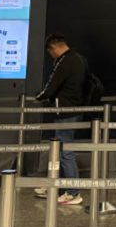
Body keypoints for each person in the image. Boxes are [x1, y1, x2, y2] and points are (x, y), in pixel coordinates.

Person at [33, 34, 88, 206]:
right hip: (76, 109)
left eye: (50, 52)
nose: (51, 56)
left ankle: (72, 192)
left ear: (53, 48)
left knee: (65, 152)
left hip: (65, 112)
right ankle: (54, 185)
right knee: (59, 151)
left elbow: (51, 86)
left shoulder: (65, 61)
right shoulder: (79, 58)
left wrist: (39, 97)